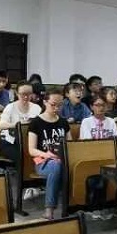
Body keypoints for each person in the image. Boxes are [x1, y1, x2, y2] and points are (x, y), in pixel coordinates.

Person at [28, 88, 71, 220]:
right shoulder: (36, 122)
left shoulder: (63, 122)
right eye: (53, 104)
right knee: (55, 166)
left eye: (60, 105)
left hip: (62, 160)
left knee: (65, 166)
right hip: (42, 161)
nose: (57, 108)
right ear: (45, 102)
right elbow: (32, 150)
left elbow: (70, 144)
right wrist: (48, 155)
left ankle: (74, 205)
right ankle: (49, 209)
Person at [0, 82, 41, 161]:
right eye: (23, 94)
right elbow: (1, 124)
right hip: (11, 141)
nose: (26, 97)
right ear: (17, 93)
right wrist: (18, 124)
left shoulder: (37, 108)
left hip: (29, 141)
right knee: (21, 157)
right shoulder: (10, 107)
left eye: (29, 94)